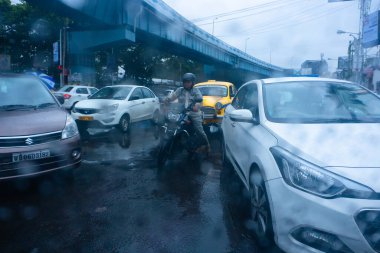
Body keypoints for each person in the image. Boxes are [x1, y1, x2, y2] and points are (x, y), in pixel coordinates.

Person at [164, 73, 210, 153]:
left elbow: (200, 101)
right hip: (181, 112)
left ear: (192, 83)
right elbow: (172, 97)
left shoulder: (196, 91)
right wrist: (166, 100)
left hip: (193, 113)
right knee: (170, 122)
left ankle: (207, 145)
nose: (186, 83)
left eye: (188, 82)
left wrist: (197, 106)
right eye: (185, 81)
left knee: (199, 130)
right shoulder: (180, 90)